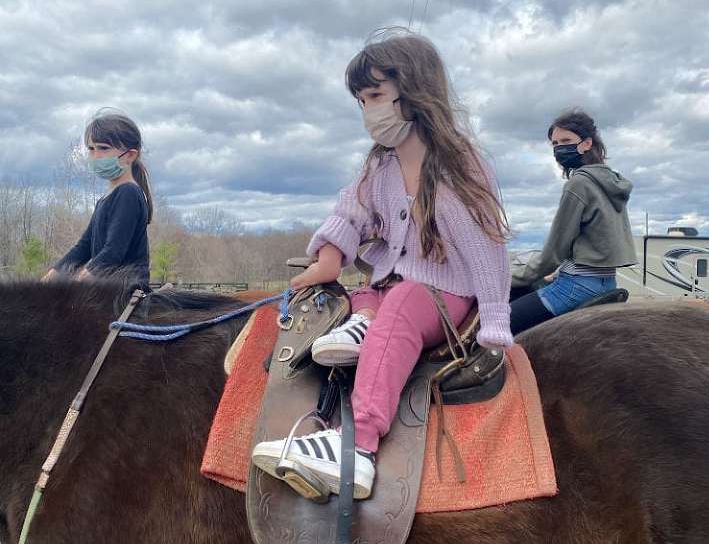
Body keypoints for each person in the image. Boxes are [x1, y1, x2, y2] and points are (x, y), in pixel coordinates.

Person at [252, 30, 512, 500]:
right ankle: (363, 324)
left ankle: (358, 449)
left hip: (441, 294)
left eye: (376, 95)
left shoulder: (461, 164)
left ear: (413, 93)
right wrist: (329, 259)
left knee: (405, 301)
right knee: (361, 297)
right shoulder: (379, 166)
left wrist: (495, 321)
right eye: (361, 100)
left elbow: (485, 247)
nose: (369, 110)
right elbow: (350, 213)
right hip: (388, 287)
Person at [507, 108, 636, 334]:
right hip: (607, 283)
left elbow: (552, 254)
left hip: (576, 287)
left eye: (566, 140)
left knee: (495, 325)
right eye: (555, 144)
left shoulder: (578, 184)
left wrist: (506, 277)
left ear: (586, 144)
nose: (559, 148)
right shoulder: (610, 182)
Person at [44, 110, 152, 287]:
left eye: (103, 148)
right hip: (107, 288)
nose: (95, 155)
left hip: (125, 291)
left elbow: (113, 252)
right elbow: (83, 247)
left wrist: (80, 281)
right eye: (91, 149)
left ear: (130, 155)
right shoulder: (106, 199)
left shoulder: (128, 193)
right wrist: (51, 276)